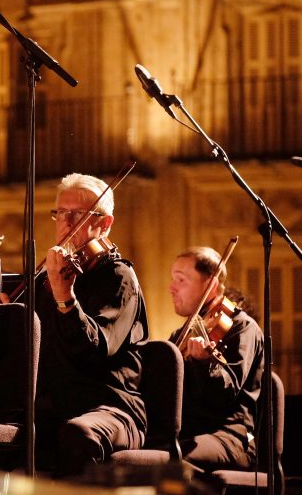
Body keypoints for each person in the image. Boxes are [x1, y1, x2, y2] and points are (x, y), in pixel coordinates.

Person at [35, 173, 148, 477]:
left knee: (78, 434)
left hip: (112, 408)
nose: (66, 223)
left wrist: (65, 299)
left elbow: (94, 349)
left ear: (106, 223)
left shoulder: (119, 278)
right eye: (61, 213)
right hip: (56, 403)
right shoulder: (50, 278)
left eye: (78, 215)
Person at [167, 246, 264, 471]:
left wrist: (204, 364)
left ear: (210, 284)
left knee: (173, 461)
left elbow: (226, 394)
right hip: (188, 432)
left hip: (232, 436)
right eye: (172, 279)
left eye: (181, 280)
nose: (171, 288)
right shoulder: (180, 335)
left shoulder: (242, 328)